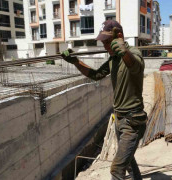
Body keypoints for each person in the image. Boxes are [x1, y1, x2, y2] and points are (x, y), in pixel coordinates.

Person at [61, 20, 147, 180]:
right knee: (127, 161)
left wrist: (125, 53)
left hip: (133, 122)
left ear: (119, 36)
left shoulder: (134, 53)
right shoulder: (113, 60)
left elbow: (135, 66)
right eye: (103, 43)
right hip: (120, 120)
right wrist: (76, 62)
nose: (106, 46)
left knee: (116, 169)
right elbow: (95, 75)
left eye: (108, 42)